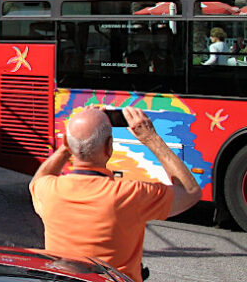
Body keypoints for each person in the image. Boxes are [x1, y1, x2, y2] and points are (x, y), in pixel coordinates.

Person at [29, 106, 201, 282]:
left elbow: (38, 179)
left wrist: (67, 147)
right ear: (109, 147)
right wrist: (151, 138)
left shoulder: (48, 190)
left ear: (66, 141)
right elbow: (190, 192)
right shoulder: (129, 194)